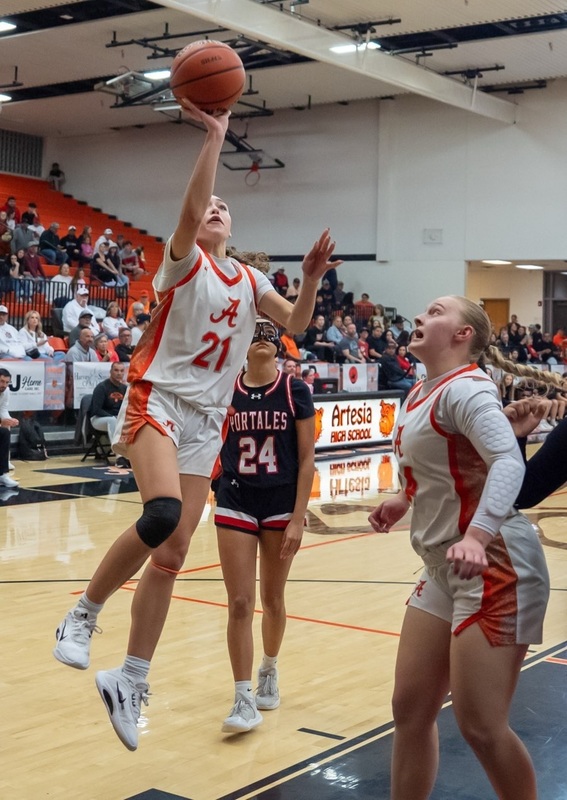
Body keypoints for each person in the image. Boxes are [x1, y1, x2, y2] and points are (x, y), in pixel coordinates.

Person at [52, 102, 341, 752]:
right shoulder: (181, 263)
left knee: (174, 554)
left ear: (234, 228)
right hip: (157, 399)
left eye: (223, 206)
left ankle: (129, 678)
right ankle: (82, 613)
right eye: (207, 204)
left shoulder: (248, 278)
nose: (214, 208)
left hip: (208, 421)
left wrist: (314, 281)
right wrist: (214, 135)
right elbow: (189, 210)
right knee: (159, 515)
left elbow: (294, 325)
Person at [368, 295, 551, 800]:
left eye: (435, 310)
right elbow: (435, 468)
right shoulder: (418, 394)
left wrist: (476, 534)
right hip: (443, 563)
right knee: (410, 708)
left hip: (494, 561)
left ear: (463, 334)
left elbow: (509, 466)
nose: (420, 316)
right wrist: (402, 500)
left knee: (480, 726)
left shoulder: (467, 388)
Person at [214, 318, 315, 733]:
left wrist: (297, 516)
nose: (262, 341)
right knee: (239, 602)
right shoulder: (225, 388)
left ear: (280, 349)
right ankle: (241, 698)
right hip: (236, 497)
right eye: (254, 335)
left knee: (272, 599)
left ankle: (269, 668)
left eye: (270, 337)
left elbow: (307, 459)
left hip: (279, 500)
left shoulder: (295, 391)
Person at [89, 362, 127, 460]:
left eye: (122, 371)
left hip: (117, 418)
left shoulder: (125, 388)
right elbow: (96, 410)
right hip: (98, 419)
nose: (119, 373)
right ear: (110, 372)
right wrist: (114, 417)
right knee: (112, 421)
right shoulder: (101, 387)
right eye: (116, 370)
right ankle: (120, 456)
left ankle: (133, 455)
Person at [0, 368, 19, 489]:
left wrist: (9, 420)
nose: (4, 385)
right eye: (2, 381)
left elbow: (3, 409)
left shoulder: (6, 391)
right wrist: (2, 421)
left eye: (7, 382)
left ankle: (2, 474)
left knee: (5, 432)